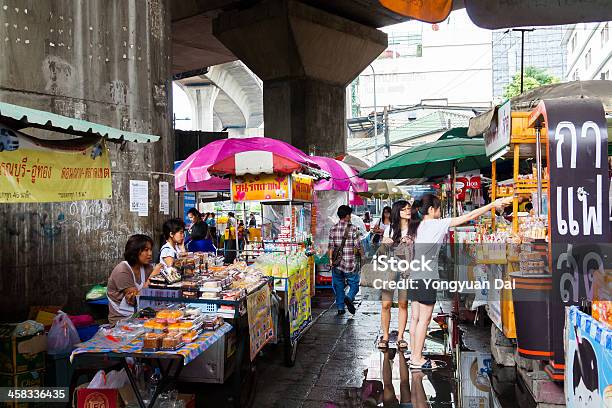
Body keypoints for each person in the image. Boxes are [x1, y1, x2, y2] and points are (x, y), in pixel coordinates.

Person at [407, 194, 512, 370]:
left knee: (416, 318)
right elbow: (468, 217)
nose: (440, 212)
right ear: (431, 210)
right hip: (426, 277)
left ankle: (415, 354)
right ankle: (417, 358)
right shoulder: (437, 224)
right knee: (424, 320)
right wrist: (493, 204)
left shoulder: (417, 226)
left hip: (414, 276)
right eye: (438, 208)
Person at [378, 200, 413, 351]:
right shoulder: (389, 229)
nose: (408, 211)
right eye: (404, 209)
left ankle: (400, 337)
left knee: (403, 304)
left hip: (406, 271)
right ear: (397, 212)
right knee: (386, 304)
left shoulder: (414, 229)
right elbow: (381, 252)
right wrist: (384, 243)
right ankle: (385, 336)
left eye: (409, 209)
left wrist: (411, 242)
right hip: (390, 269)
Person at [107, 235, 163, 325]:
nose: (150, 253)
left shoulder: (146, 267)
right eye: (146, 250)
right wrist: (153, 277)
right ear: (135, 251)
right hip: (122, 321)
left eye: (150, 250)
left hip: (142, 315)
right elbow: (135, 300)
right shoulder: (122, 271)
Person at [327, 205, 364, 315]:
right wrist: (363, 257)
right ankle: (349, 297)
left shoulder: (333, 228)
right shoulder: (353, 228)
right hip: (349, 264)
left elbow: (330, 247)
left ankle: (340, 308)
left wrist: (330, 260)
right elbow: (358, 246)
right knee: (354, 285)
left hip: (336, 263)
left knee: (338, 286)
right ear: (347, 216)